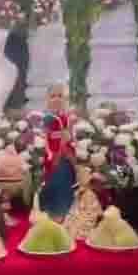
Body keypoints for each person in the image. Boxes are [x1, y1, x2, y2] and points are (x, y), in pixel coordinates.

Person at [40, 83, 77, 219]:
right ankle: (49, 212)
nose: (56, 99)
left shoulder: (69, 117)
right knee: (52, 177)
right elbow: (43, 137)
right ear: (47, 99)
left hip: (66, 155)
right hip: (49, 154)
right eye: (53, 96)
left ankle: (62, 212)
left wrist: (68, 138)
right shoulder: (45, 118)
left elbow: (72, 137)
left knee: (63, 174)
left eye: (60, 96)